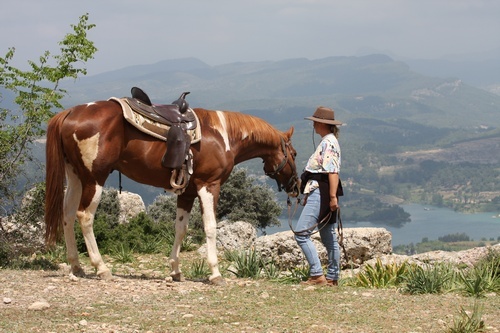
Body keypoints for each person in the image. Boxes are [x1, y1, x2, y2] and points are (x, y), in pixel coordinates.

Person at [295, 106, 343, 286]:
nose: (313, 124)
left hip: (321, 192)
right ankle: (332, 276)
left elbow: (332, 172)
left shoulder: (328, 143)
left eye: (316, 121)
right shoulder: (330, 141)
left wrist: (331, 197)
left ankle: (317, 274)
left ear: (322, 123)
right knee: (328, 236)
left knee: (301, 233)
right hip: (321, 191)